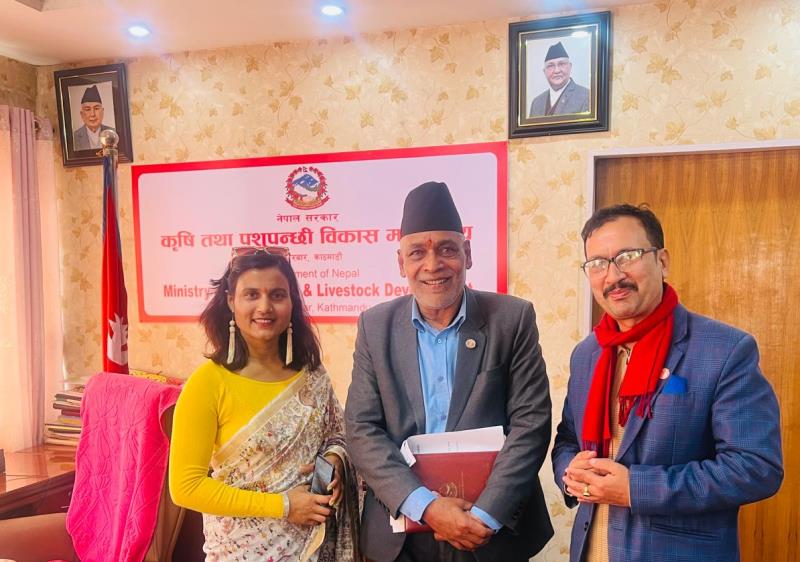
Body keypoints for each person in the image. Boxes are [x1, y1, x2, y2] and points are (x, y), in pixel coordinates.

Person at [552, 204, 783, 562]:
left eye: (627, 257)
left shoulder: (724, 349)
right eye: (597, 263)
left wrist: (636, 488)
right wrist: (571, 471)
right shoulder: (588, 354)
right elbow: (568, 438)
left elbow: (755, 468)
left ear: (662, 261)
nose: (613, 275)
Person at [345, 181, 553, 562]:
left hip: (488, 532)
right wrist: (425, 506)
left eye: (446, 248)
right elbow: (362, 429)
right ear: (401, 263)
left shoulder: (512, 319)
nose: (432, 265)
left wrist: (484, 517)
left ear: (467, 254)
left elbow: (531, 424)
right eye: (417, 252)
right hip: (401, 534)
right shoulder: (375, 327)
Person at [169, 246, 360, 561]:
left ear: (291, 302)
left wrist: (335, 462)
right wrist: (283, 506)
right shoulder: (207, 383)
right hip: (240, 551)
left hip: (313, 545)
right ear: (231, 301)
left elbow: (338, 436)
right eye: (251, 295)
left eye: (277, 295)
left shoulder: (311, 374)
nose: (265, 306)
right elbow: (186, 487)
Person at [529, 41, 590, 117]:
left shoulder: (586, 96)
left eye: (561, 64)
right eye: (551, 66)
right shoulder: (536, 103)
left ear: (570, 67)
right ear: (544, 71)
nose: (557, 70)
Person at [72, 85, 114, 151]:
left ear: (102, 111)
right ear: (82, 114)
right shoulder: (74, 137)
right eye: (87, 109)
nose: (92, 114)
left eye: (96, 108)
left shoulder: (112, 133)